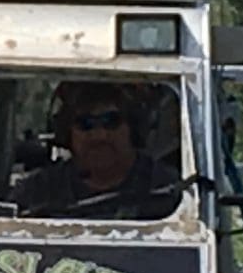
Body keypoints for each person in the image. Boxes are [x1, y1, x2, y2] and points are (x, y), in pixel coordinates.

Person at [15, 82, 183, 219]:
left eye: (111, 122)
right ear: (67, 133)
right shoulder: (36, 192)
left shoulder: (171, 191)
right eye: (85, 124)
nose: (99, 135)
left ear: (134, 127)